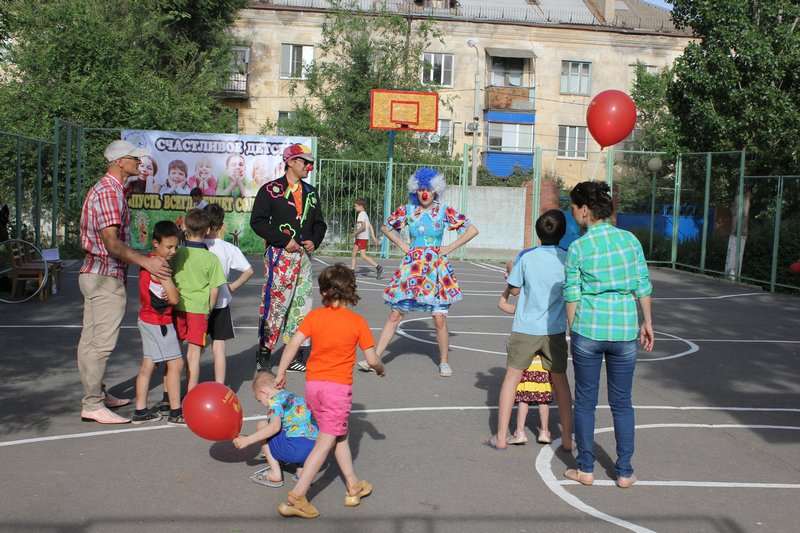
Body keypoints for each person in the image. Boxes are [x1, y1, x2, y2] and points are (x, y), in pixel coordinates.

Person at [274, 263, 385, 519]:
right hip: (337, 390)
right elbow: (372, 358)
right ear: (350, 290)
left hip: (314, 387)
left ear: (324, 290)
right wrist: (381, 368)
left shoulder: (314, 316)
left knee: (338, 435)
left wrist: (281, 371)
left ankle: (353, 484)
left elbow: (293, 344)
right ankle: (298, 496)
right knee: (324, 443)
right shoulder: (358, 322)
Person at [563, 181, 654, 489]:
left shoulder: (578, 247)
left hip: (588, 329)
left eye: (573, 208)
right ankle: (625, 470)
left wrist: (573, 329)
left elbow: (571, 293)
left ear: (585, 210)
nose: (572, 213)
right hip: (625, 329)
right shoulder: (630, 241)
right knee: (622, 402)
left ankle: (585, 468)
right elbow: (642, 283)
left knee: (586, 402)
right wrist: (648, 322)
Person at [77, 140, 172, 424]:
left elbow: (113, 243)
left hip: (100, 274)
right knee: (99, 344)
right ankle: (92, 403)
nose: (139, 163)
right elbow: (111, 243)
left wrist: (141, 256)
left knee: (91, 341)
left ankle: (95, 393)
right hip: (104, 277)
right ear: (120, 162)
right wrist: (146, 261)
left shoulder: (110, 189)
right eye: (134, 158)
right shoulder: (109, 192)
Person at [357, 168, 478, 377]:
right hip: (412, 269)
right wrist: (402, 243)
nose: (425, 193)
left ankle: (444, 361)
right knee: (395, 313)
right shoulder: (407, 210)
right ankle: (374, 358)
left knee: (439, 318)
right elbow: (386, 227)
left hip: (436, 269)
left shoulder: (444, 211)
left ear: (435, 191)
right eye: (421, 189)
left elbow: (471, 229)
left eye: (429, 190)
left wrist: (449, 248)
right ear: (415, 190)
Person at [487, 210, 572, 449]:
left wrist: (510, 271)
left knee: (511, 380)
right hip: (554, 329)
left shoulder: (527, 256)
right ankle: (566, 439)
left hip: (525, 328)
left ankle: (502, 437)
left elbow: (514, 291)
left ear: (537, 232)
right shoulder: (568, 258)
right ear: (563, 233)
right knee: (561, 383)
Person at [250, 143, 327, 374]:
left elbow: (320, 224)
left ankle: (295, 354)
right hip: (280, 257)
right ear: (291, 162)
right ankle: (264, 354)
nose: (309, 166)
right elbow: (258, 222)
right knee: (274, 305)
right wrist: (284, 240)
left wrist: (315, 239)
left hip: (304, 258)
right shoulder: (270, 190)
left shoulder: (312, 192)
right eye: (305, 161)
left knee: (301, 306)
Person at [131, 221, 185, 426]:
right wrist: (175, 290)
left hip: (146, 318)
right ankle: (175, 412)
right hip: (160, 322)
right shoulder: (161, 266)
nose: (173, 251)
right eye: (169, 247)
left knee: (148, 365)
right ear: (156, 243)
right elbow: (173, 299)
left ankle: (141, 410)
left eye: (176, 247)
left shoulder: (148, 261)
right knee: (176, 364)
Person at [496, 267, 554, 446]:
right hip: (542, 362)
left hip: (526, 362)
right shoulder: (548, 310)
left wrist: (509, 286)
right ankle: (544, 431)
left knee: (523, 399)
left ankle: (520, 432)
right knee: (543, 399)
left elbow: (502, 304)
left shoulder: (522, 308)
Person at [171, 208, 227, 392]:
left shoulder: (177, 254)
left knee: (174, 352)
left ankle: (168, 396)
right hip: (198, 310)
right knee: (193, 355)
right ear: (206, 230)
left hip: (177, 307)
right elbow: (215, 292)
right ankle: (190, 394)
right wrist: (209, 310)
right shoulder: (211, 259)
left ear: (184, 227)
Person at [233, 371, 318, 487]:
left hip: (295, 449)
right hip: (315, 449)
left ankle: (275, 473)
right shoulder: (292, 396)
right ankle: (302, 472)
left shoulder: (275, 403)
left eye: (260, 400)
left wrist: (248, 440)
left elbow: (274, 427)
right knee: (293, 428)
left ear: (264, 392)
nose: (263, 404)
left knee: (262, 425)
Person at [203, 203, 254, 384]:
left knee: (193, 348)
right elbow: (248, 271)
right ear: (222, 225)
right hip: (221, 303)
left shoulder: (195, 245)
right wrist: (232, 286)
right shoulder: (227, 248)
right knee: (219, 346)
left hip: (197, 303)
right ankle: (219, 385)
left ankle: (190, 386)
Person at [350, 198, 382, 279]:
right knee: (354, 253)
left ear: (361, 206)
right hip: (360, 237)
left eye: (356, 206)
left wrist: (355, 233)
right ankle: (352, 271)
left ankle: (378, 267)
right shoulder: (365, 214)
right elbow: (370, 226)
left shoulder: (361, 215)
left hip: (362, 237)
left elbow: (363, 227)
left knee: (363, 255)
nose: (355, 207)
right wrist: (374, 237)